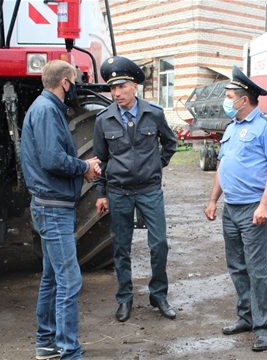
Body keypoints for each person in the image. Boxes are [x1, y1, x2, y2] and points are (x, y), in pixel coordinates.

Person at [21, 59, 101, 360]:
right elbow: (53, 159)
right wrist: (84, 166)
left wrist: (83, 167)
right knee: (70, 279)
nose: (75, 87)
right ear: (65, 82)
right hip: (53, 208)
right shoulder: (46, 111)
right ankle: (69, 352)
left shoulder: (47, 109)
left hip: (52, 205)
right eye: (74, 81)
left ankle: (46, 344)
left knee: (53, 277)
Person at [204, 65, 267, 352]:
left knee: (257, 269)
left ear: (244, 99)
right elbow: (222, 167)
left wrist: (265, 205)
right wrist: (214, 199)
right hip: (231, 208)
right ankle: (246, 317)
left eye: (229, 96)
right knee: (237, 266)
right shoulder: (231, 128)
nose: (226, 101)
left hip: (254, 209)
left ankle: (265, 328)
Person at [93, 56, 178, 323]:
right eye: (112, 88)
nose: (116, 93)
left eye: (121, 87)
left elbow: (171, 143)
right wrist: (101, 193)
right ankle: (125, 298)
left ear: (134, 87)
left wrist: (155, 165)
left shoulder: (154, 113)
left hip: (149, 190)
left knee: (159, 244)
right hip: (118, 191)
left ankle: (159, 295)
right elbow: (101, 160)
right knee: (121, 247)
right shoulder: (103, 120)